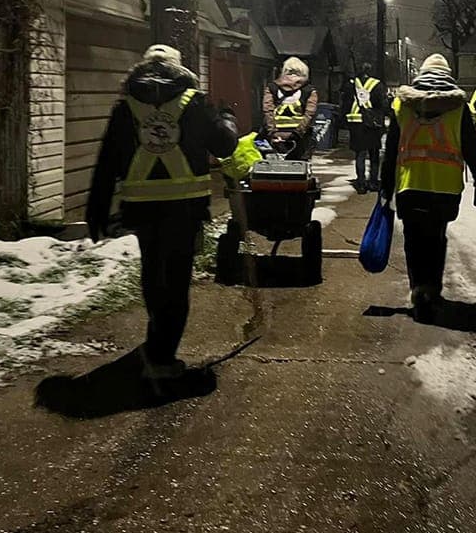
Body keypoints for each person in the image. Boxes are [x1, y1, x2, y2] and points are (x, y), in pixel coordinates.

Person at [86, 45, 239, 390]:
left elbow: (107, 159)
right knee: (176, 280)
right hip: (184, 208)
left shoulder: (126, 106)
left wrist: (96, 210)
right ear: (178, 69)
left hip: (142, 208)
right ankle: (162, 358)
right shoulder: (194, 102)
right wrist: (227, 117)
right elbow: (225, 146)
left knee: (154, 273)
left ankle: (157, 339)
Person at [380, 53, 476, 322]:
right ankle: (432, 289)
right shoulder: (459, 108)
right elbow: (472, 149)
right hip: (445, 187)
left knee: (413, 239)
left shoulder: (402, 106)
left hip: (410, 184)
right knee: (437, 237)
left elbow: (390, 149)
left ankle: (418, 288)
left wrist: (385, 185)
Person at [341, 62, 388, 193]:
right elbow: (383, 105)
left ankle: (361, 183)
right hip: (372, 124)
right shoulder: (377, 85)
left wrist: (344, 121)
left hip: (356, 123)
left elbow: (345, 103)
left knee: (360, 154)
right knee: (374, 154)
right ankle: (373, 182)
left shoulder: (350, 84)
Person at [261, 56, 319, 160]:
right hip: (300, 137)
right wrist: (297, 133)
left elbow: (267, 110)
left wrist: (272, 132)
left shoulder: (272, 87)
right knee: (299, 167)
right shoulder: (309, 90)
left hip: (276, 135)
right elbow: (309, 114)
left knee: (272, 166)